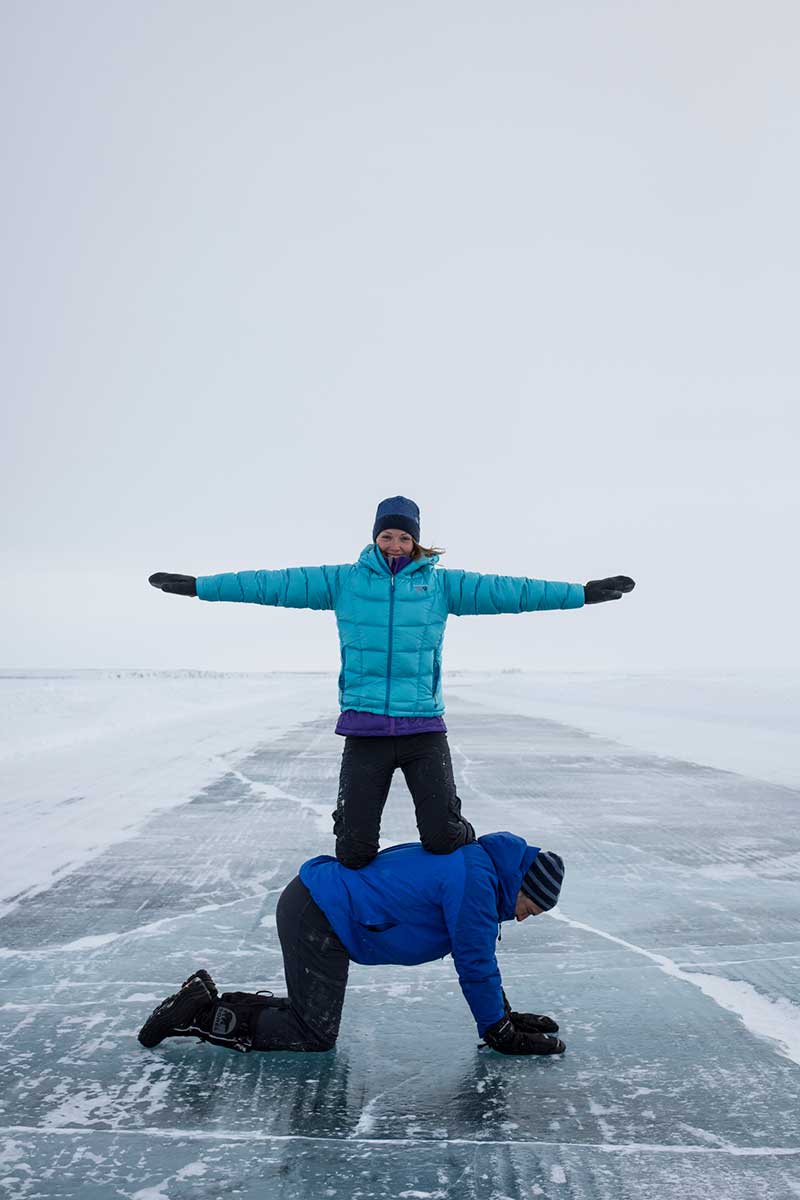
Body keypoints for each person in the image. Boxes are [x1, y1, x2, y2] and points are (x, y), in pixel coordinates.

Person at [149, 496, 634, 868]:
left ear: (416, 541)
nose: (395, 545)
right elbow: (270, 583)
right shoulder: (342, 580)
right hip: (365, 731)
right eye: (388, 537)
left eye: (404, 538)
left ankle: (473, 874)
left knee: (443, 838)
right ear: (375, 538)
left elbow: (512, 590)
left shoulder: (441, 584)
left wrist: (583, 594)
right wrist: (199, 587)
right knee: (354, 851)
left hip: (424, 728)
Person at [137, 831, 567, 1057]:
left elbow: (479, 954)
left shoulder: (479, 868)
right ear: (521, 882)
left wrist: (503, 1015)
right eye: (530, 906)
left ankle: (202, 1002)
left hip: (318, 905)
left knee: (308, 1019)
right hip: (321, 914)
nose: (525, 917)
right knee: (312, 1032)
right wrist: (498, 1031)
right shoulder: (476, 881)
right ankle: (197, 1015)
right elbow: (475, 961)